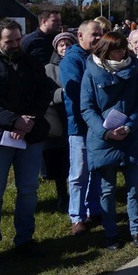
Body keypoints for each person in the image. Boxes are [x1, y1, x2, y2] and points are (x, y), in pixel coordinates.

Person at [0, 19, 52, 272]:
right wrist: (12, 121)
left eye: (18, 39)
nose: (16, 45)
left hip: (31, 135)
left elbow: (44, 93)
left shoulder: (32, 63)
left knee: (28, 189)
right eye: (9, 41)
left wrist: (27, 122)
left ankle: (24, 240)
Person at [80, 31, 138, 250]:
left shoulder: (134, 69)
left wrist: (129, 125)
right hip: (104, 139)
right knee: (107, 189)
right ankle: (111, 234)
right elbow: (86, 107)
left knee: (134, 187)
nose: (122, 53)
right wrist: (105, 132)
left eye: (123, 48)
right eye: (117, 49)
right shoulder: (91, 71)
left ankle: (136, 230)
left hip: (130, 135)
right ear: (106, 50)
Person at [60, 20, 104, 237]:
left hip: (99, 123)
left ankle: (94, 209)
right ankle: (77, 216)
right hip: (80, 124)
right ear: (80, 35)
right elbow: (77, 93)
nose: (97, 38)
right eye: (94, 34)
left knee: (95, 169)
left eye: (100, 34)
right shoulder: (72, 60)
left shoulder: (98, 57)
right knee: (78, 173)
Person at [43, 32, 77, 213]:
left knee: (76, 162)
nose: (65, 47)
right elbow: (45, 93)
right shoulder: (48, 69)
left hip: (75, 119)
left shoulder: (80, 63)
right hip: (57, 120)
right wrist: (61, 94)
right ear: (56, 48)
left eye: (68, 43)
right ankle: (62, 196)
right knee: (59, 163)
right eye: (61, 44)